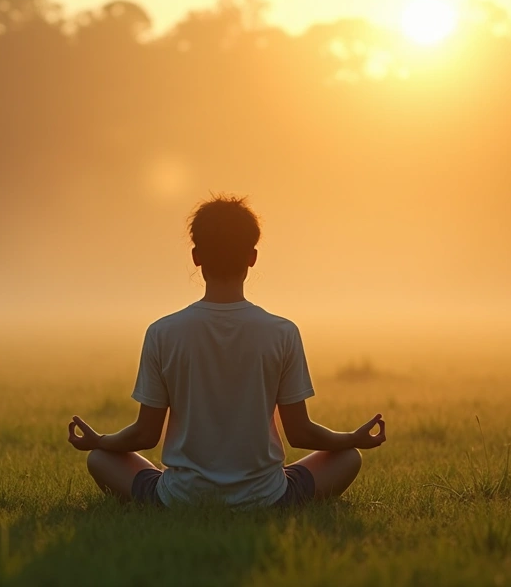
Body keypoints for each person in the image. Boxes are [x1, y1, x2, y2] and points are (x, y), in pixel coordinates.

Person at [66, 195, 386, 508]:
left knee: (100, 459)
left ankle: (181, 492)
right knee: (348, 458)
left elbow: (145, 435)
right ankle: (267, 486)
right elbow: (300, 433)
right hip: (268, 498)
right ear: (252, 257)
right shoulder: (282, 332)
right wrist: (351, 439)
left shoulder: (162, 332)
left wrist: (100, 441)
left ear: (196, 256)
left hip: (180, 498)